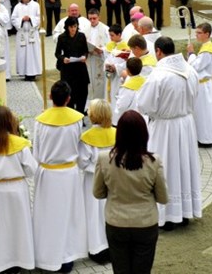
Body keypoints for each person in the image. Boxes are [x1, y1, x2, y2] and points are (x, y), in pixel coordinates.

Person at [137, 36, 202, 230]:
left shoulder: (158, 75)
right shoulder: (190, 71)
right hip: (186, 125)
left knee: (166, 168)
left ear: (158, 52)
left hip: (165, 128)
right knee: (184, 166)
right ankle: (184, 212)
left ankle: (167, 215)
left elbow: (144, 104)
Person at [93, 110, 168, 274]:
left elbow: (98, 193)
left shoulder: (105, 158)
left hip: (116, 221)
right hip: (145, 222)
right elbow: (163, 197)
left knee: (120, 269)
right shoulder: (153, 161)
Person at [33, 81, 87, 272]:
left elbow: (36, 153)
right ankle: (67, 257)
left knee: (48, 216)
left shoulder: (40, 121)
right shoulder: (77, 120)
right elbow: (79, 148)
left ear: (50, 97)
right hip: (69, 174)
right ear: (69, 99)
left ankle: (47, 256)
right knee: (68, 215)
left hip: (48, 173)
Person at [0, 106, 37, 273]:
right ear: (10, 121)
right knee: (17, 227)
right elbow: (31, 170)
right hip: (16, 189)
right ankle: (18, 260)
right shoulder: (20, 145)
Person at [78, 99, 115, 264]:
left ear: (92, 116)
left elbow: (82, 162)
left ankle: (96, 247)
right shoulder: (116, 133)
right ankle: (112, 245)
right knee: (111, 211)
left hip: (93, 180)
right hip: (114, 179)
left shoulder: (86, 137)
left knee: (93, 212)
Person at [187, 23, 212, 146]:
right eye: (196, 33)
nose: (196, 35)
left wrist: (191, 54)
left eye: (199, 33)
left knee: (204, 113)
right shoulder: (206, 47)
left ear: (207, 34)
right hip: (202, 85)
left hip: (203, 86)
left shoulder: (206, 50)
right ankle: (201, 136)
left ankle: (206, 138)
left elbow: (195, 66)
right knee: (200, 112)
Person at [55, 16, 89, 114]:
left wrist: (84, 57)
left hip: (80, 68)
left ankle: (80, 114)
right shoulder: (62, 37)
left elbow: (85, 51)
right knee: (69, 92)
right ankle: (71, 114)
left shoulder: (81, 36)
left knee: (82, 92)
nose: (73, 29)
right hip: (68, 69)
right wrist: (63, 59)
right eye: (71, 27)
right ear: (67, 27)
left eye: (75, 26)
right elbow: (57, 53)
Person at [11, 0, 42, 81]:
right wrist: (21, 19)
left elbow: (39, 17)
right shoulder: (17, 7)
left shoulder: (36, 5)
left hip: (32, 33)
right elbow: (13, 19)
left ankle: (33, 73)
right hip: (22, 35)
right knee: (23, 54)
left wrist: (30, 18)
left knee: (33, 54)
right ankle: (24, 73)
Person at [84, 8, 110, 101]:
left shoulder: (106, 29)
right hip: (89, 59)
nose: (92, 21)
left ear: (99, 17)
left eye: (94, 18)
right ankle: (90, 104)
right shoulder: (85, 30)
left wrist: (102, 50)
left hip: (100, 59)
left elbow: (110, 46)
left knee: (100, 82)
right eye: (90, 18)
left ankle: (100, 102)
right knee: (90, 82)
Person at [113, 57, 146, 126]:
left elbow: (122, 106)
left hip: (130, 120)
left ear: (127, 71)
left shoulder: (127, 87)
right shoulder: (145, 82)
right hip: (143, 118)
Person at [103, 24, 130, 107]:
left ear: (119, 34)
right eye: (110, 35)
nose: (111, 38)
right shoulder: (110, 45)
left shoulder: (126, 47)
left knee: (116, 97)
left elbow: (127, 63)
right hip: (110, 76)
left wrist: (116, 67)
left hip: (119, 77)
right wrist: (107, 65)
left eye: (112, 35)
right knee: (108, 96)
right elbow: (107, 58)